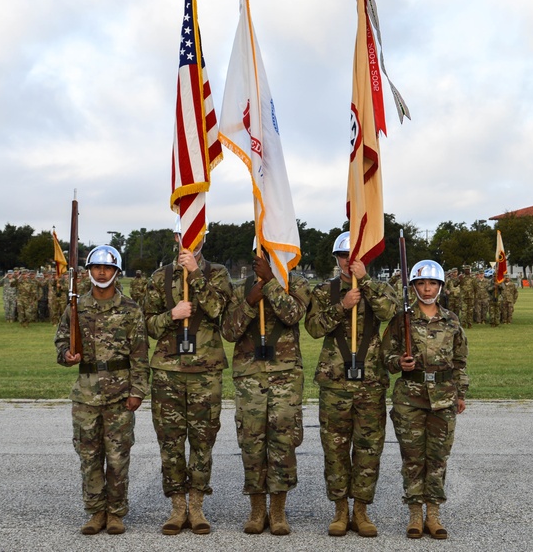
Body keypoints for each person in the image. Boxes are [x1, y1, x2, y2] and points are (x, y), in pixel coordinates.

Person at [305, 231, 397, 537]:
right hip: (335, 383)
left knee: (369, 449)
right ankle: (340, 510)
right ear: (336, 259)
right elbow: (314, 328)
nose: (348, 261)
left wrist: (366, 283)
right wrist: (342, 305)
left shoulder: (380, 288)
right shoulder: (324, 291)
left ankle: (361, 510)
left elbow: (390, 313)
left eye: (354, 255)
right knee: (335, 449)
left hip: (370, 382)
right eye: (343, 256)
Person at [54, 246, 149, 536]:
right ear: (89, 271)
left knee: (118, 457)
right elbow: (61, 343)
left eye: (107, 268)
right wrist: (66, 356)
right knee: (89, 456)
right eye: (96, 267)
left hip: (120, 394)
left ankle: (116, 513)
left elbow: (140, 355)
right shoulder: (76, 307)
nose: (101, 272)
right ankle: (96, 512)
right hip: (85, 395)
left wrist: (138, 391)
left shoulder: (131, 309)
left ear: (117, 272)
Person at [143, 229, 231, 535]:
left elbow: (218, 310)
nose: (191, 242)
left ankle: (197, 506)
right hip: (168, 371)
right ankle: (177, 507)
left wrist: (195, 273)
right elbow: (148, 326)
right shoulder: (160, 277)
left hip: (205, 372)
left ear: (204, 238)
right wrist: (172, 314)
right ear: (177, 238)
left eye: (197, 236)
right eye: (185, 236)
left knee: (203, 441)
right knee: (170, 442)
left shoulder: (217, 273)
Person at [222, 245, 311, 535]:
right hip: (250, 376)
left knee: (283, 443)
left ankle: (278, 510)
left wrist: (271, 283)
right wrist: (249, 301)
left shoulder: (295, 283)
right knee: (252, 443)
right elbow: (229, 331)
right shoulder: (241, 288)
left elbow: (293, 315)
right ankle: (257, 508)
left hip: (285, 376)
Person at [383, 259, 468, 539]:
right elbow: (385, 356)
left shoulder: (452, 320)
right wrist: (399, 363)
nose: (427, 288)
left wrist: (461, 393)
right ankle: (415, 515)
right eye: (421, 283)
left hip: (443, 398)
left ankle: (434, 514)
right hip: (410, 398)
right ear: (413, 286)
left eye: (432, 283)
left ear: (441, 287)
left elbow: (460, 360)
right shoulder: (402, 320)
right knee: (413, 458)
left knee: (438, 459)